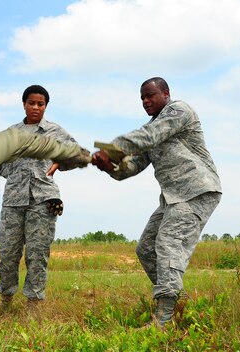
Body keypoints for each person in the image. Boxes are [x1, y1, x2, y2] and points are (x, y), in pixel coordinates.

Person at [92, 77, 222, 328]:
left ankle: (165, 317)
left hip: (196, 190)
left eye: (150, 95)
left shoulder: (178, 111)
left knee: (168, 243)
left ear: (166, 93)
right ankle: (178, 301)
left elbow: (150, 135)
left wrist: (114, 147)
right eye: (142, 98)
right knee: (146, 248)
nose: (145, 101)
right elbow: (131, 167)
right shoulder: (150, 131)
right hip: (172, 198)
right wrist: (110, 166)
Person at [0, 84, 90, 309]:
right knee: (8, 254)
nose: (36, 107)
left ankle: (33, 307)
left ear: (46, 106)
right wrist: (13, 173)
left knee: (37, 256)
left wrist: (59, 163)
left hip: (43, 199)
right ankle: (5, 302)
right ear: (24, 104)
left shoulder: (55, 132)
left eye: (41, 104)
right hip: (13, 201)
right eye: (31, 103)